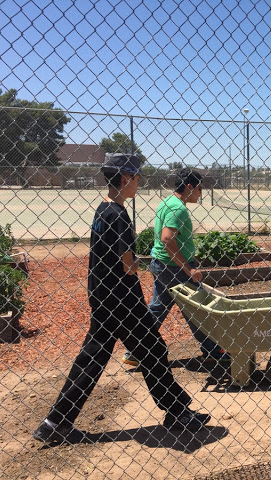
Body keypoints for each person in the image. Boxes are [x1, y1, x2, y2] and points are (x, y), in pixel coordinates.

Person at [34, 154, 211, 444]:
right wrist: (138, 264)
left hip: (103, 295)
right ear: (126, 178)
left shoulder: (102, 210)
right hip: (123, 298)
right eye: (137, 178)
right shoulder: (119, 214)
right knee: (153, 349)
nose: (138, 183)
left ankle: (55, 421)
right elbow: (127, 264)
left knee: (94, 358)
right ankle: (178, 412)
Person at [122, 167, 228, 367]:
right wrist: (189, 269)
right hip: (174, 269)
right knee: (197, 308)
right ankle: (213, 350)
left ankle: (136, 350)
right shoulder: (177, 208)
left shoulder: (168, 202)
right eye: (199, 189)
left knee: (158, 308)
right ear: (189, 186)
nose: (200, 193)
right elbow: (167, 239)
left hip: (163, 265)